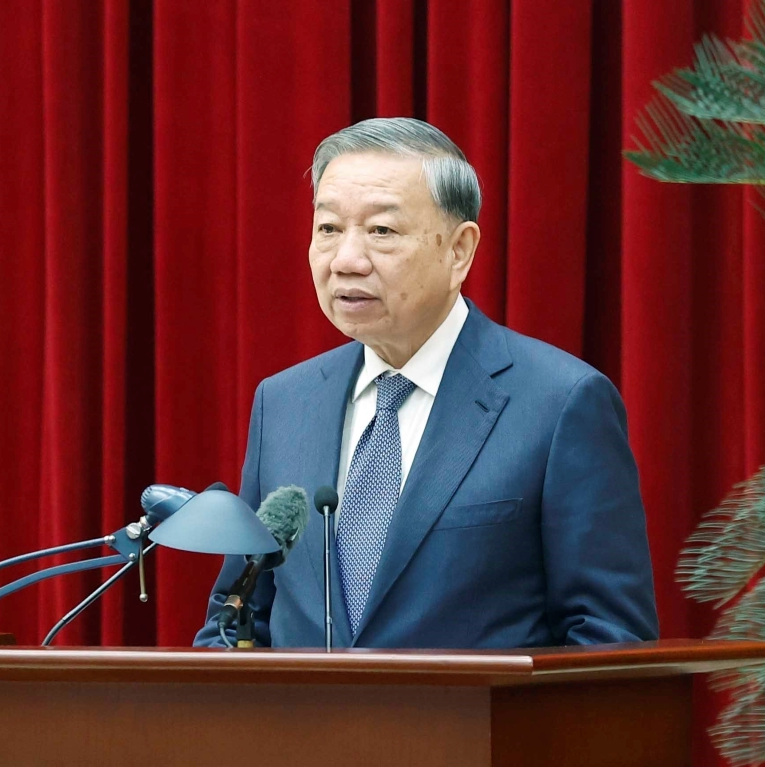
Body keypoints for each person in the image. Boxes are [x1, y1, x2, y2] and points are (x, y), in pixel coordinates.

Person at [194, 118, 658, 649]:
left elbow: (609, 639)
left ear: (459, 250)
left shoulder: (560, 403)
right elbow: (235, 619)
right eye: (328, 228)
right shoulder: (283, 403)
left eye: (381, 231)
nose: (346, 260)